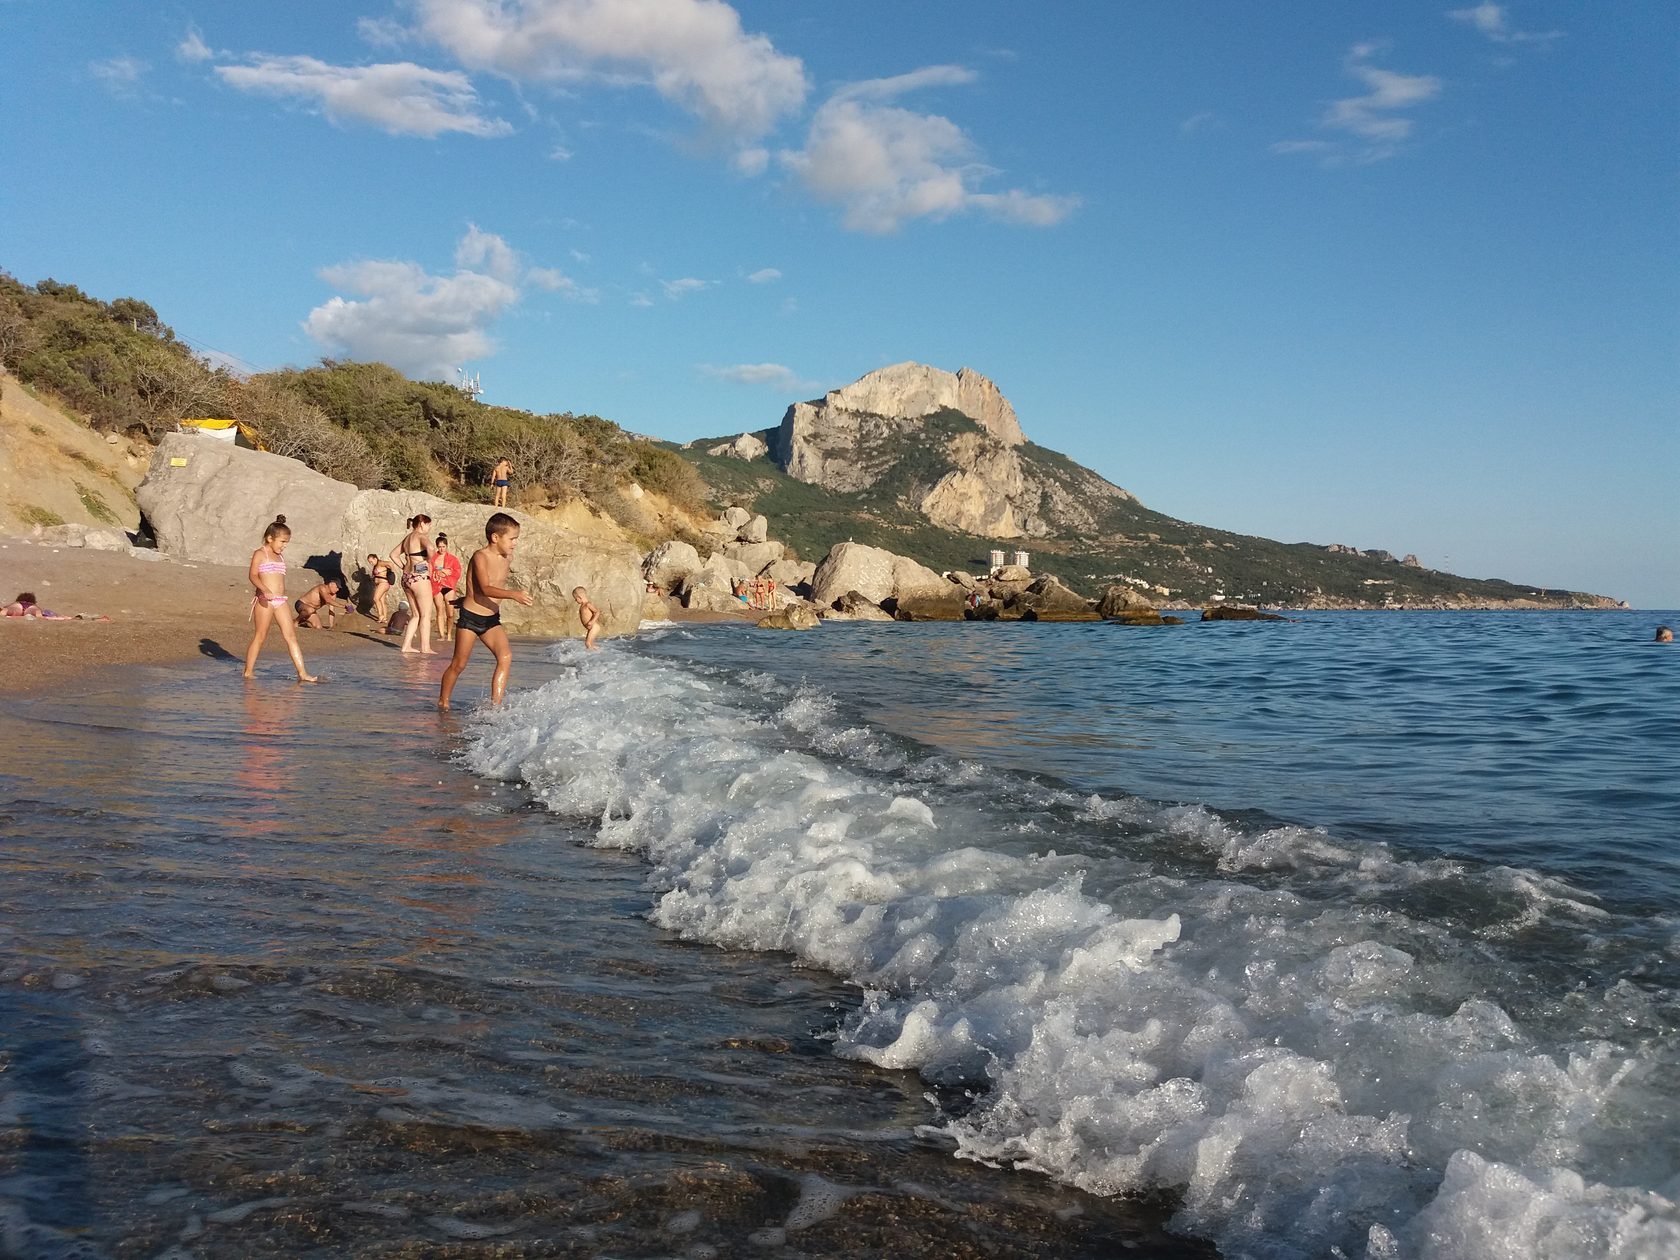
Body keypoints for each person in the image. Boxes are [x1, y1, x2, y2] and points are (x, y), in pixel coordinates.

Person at [438, 512, 533, 710]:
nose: (515, 543)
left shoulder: (507, 557)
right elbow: (485, 587)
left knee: (505, 656)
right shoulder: (480, 556)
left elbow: (481, 586)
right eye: (512, 538)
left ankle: (495, 707)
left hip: (491, 619)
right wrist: (513, 594)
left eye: (516, 539)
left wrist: (468, 596)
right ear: (495, 537)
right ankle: (443, 702)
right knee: (459, 665)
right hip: (471, 619)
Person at [242, 515, 318, 683]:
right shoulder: (260, 554)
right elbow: (253, 576)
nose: (284, 546)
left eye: (286, 543)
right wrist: (264, 589)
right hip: (264, 600)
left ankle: (302, 673)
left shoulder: (280, 556)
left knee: (291, 636)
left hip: (280, 600)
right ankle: (248, 671)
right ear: (270, 538)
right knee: (260, 636)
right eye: (282, 542)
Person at [391, 514, 436, 655]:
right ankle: (425, 647)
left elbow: (393, 554)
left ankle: (406, 646)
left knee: (416, 614)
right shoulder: (420, 536)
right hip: (419, 577)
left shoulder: (408, 538)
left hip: (406, 577)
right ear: (421, 523)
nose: (429, 527)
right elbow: (431, 548)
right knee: (425, 615)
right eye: (428, 524)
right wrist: (428, 561)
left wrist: (404, 565)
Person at [431, 533, 463, 641]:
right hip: (436, 585)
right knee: (439, 610)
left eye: (443, 546)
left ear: (446, 546)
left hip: (448, 585)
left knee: (450, 613)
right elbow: (428, 570)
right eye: (439, 547)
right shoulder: (432, 558)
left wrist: (447, 573)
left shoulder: (452, 559)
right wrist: (439, 571)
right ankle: (441, 635)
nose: (441, 549)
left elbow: (457, 572)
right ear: (437, 547)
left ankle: (449, 633)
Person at [366, 553, 395, 626]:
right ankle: (384, 617)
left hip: (383, 583)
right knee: (382, 601)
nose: (371, 563)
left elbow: (390, 563)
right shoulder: (376, 565)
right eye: (369, 562)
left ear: (375, 558)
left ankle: (380, 616)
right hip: (381, 584)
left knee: (376, 598)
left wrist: (392, 572)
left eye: (371, 561)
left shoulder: (380, 563)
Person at [573, 585, 601, 651]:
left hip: (594, 626)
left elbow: (597, 612)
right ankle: (598, 652)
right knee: (590, 644)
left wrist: (592, 621)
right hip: (591, 628)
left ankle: (592, 655)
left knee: (587, 643)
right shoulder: (582, 606)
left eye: (576, 598)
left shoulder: (588, 604)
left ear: (579, 597)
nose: (575, 600)